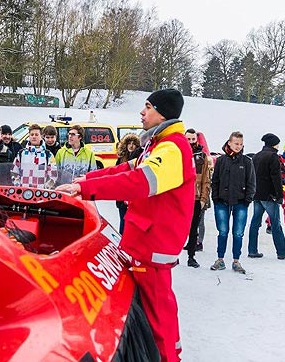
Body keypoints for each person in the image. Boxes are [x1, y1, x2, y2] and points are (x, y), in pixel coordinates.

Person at [56, 89, 195, 362]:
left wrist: (84, 189)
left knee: (158, 313)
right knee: (153, 309)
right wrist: (87, 178)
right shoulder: (157, 146)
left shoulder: (172, 148)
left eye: (147, 107)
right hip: (145, 241)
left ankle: (168, 357)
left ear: (162, 113)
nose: (142, 112)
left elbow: (138, 182)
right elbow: (124, 169)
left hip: (153, 244)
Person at [247, 133, 285, 260]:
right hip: (269, 195)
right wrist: (279, 195)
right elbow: (276, 177)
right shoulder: (273, 156)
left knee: (255, 222)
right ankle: (282, 251)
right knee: (276, 223)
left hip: (257, 193)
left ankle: (252, 250)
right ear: (274, 144)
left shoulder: (257, 155)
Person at [210, 131, 256, 274]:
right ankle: (220, 259)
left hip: (240, 202)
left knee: (238, 233)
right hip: (222, 202)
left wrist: (247, 199)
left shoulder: (247, 162)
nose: (238, 146)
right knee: (223, 231)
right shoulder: (221, 160)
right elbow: (215, 180)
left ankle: (236, 261)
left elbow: (251, 182)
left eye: (241, 144)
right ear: (229, 143)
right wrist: (216, 198)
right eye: (236, 143)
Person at [184, 129, 211, 268]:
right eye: (188, 139)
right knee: (178, 227)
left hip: (195, 197)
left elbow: (206, 179)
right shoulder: (179, 155)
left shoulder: (202, 157)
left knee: (194, 228)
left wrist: (203, 198)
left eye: (193, 139)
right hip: (181, 198)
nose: (191, 142)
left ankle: (191, 256)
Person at [11, 124, 57, 189]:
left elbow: (53, 176)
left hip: (40, 193)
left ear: (41, 136)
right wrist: (18, 186)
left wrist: (45, 189)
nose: (34, 137)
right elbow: (14, 172)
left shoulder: (48, 155)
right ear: (29, 136)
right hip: (23, 193)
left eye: (36, 134)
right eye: (32, 135)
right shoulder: (21, 153)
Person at [266, 142, 285, 236]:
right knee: (274, 207)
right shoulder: (278, 159)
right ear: (284, 150)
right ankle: (269, 225)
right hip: (278, 187)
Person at [114, 133, 142, 234]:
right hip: (122, 195)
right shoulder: (121, 159)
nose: (131, 145)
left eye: (134, 143)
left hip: (134, 197)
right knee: (123, 220)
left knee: (132, 223)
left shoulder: (139, 159)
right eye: (129, 143)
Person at [197, 154, 214, 251]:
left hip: (202, 197)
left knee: (200, 221)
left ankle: (199, 241)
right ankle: (195, 240)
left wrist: (204, 198)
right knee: (196, 221)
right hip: (198, 195)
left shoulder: (206, 163)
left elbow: (207, 183)